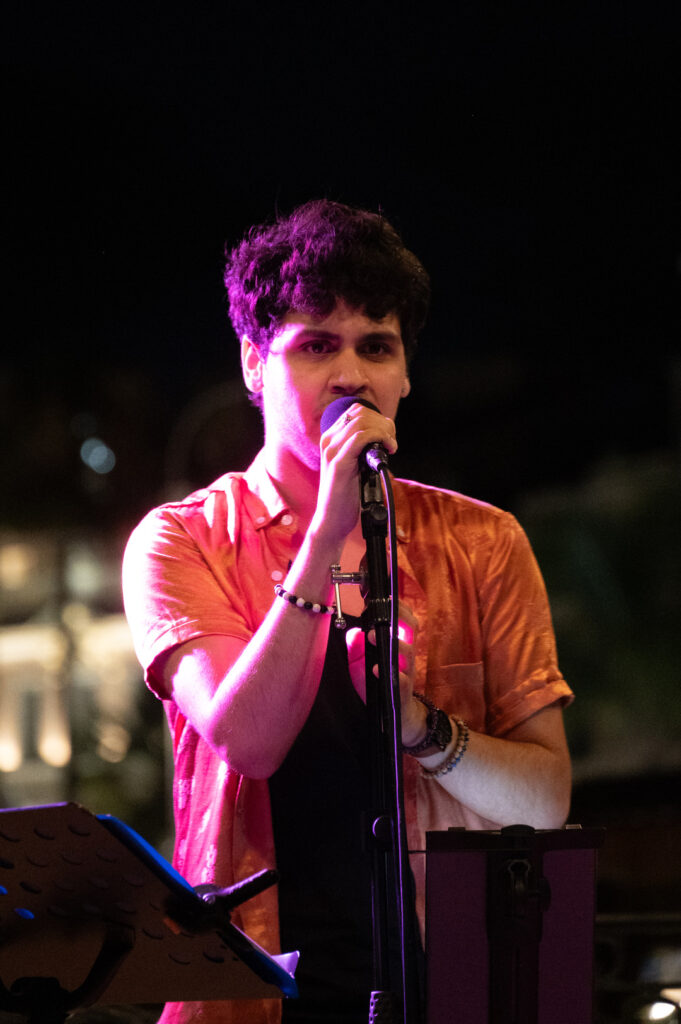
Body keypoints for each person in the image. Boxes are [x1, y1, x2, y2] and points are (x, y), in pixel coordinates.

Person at [122, 199, 573, 1024]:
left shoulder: (482, 541)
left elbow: (544, 803)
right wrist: (327, 529)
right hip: (255, 995)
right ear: (254, 364)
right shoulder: (181, 541)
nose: (351, 375)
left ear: (404, 375)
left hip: (449, 986)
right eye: (316, 345)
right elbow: (247, 742)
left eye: (376, 347)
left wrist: (418, 727)